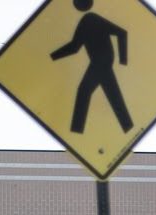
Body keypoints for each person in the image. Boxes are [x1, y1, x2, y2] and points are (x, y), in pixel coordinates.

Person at [51, 0, 134, 134]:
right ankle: (128, 127)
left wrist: (123, 60)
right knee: (113, 95)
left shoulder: (91, 19)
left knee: (84, 92)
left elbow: (122, 33)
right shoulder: (86, 20)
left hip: (101, 62)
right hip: (101, 62)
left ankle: (76, 131)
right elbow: (74, 47)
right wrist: (53, 56)